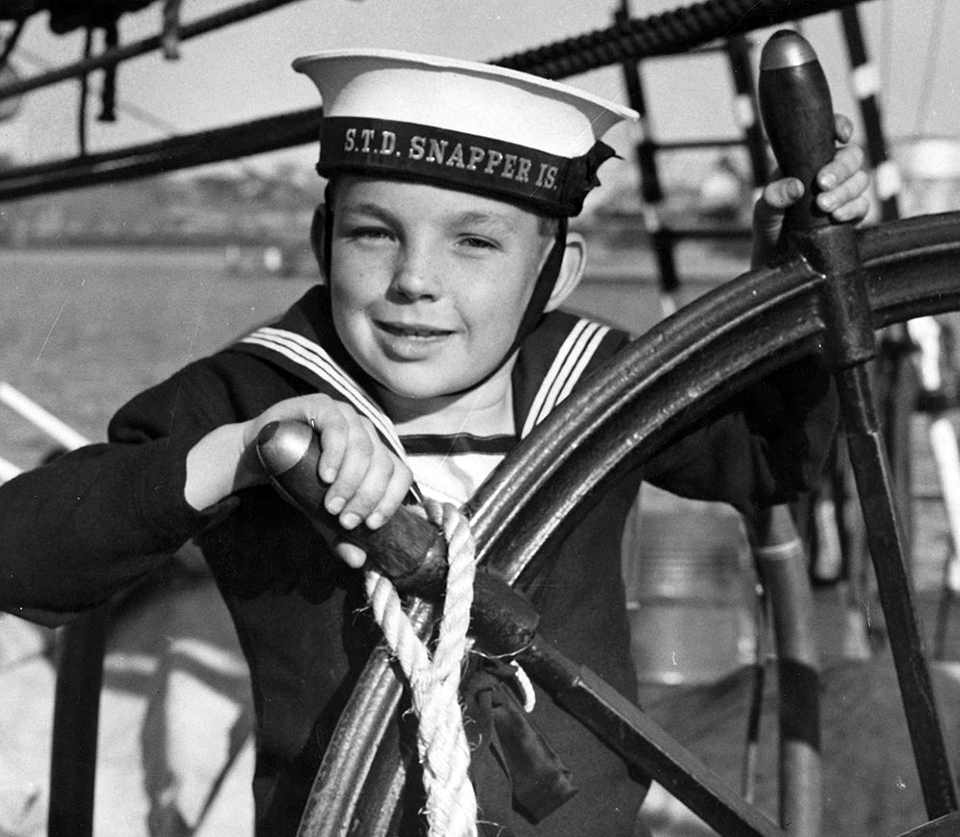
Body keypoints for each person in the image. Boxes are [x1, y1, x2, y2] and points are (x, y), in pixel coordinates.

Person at [0, 49, 869, 836]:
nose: (414, 280)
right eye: (374, 233)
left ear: (554, 273)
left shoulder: (601, 383)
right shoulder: (254, 393)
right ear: (322, 240)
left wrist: (790, 272)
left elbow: (772, 456)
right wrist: (241, 451)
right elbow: (23, 551)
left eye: (474, 243)